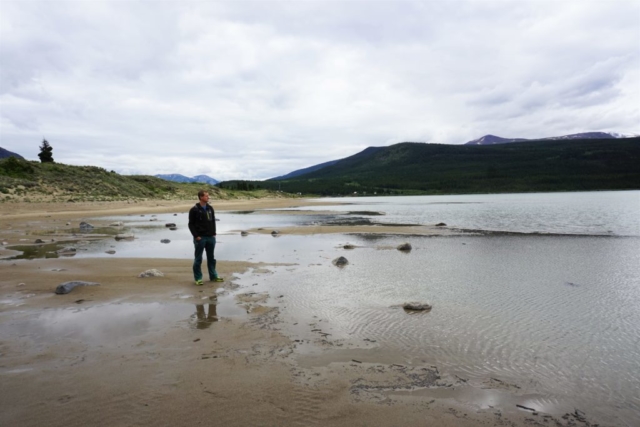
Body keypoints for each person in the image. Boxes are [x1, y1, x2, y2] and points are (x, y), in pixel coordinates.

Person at [188, 190, 224, 285]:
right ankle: (198, 279)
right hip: (200, 238)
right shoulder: (194, 209)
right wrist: (196, 236)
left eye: (208, 196)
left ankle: (213, 276)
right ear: (201, 197)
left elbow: (213, 221)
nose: (208, 197)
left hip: (210, 237)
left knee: (211, 258)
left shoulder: (210, 208)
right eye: (206, 196)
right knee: (198, 259)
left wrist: (214, 233)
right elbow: (190, 224)